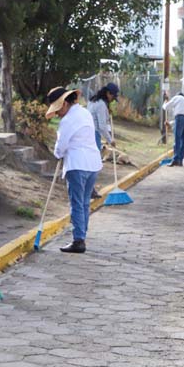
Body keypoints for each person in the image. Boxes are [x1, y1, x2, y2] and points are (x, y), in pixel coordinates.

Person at [46, 87, 102, 253]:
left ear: (64, 104)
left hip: (77, 165)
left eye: (57, 110)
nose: (57, 114)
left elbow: (61, 145)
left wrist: (57, 154)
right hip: (93, 164)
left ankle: (78, 240)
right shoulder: (84, 113)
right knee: (84, 203)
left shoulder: (68, 120)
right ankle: (81, 235)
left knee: (77, 203)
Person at [88, 83, 120, 199]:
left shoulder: (93, 101)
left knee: (90, 163)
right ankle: (90, 190)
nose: (112, 100)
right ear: (108, 93)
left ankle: (90, 189)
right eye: (112, 96)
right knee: (95, 164)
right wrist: (110, 140)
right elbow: (102, 126)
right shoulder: (101, 105)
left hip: (88, 133)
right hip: (95, 134)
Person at [163, 91, 184, 166]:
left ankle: (175, 160)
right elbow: (181, 117)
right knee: (183, 141)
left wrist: (165, 102)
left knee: (177, 139)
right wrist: (170, 123)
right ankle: (180, 160)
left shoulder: (176, 98)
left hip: (180, 119)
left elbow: (166, 107)